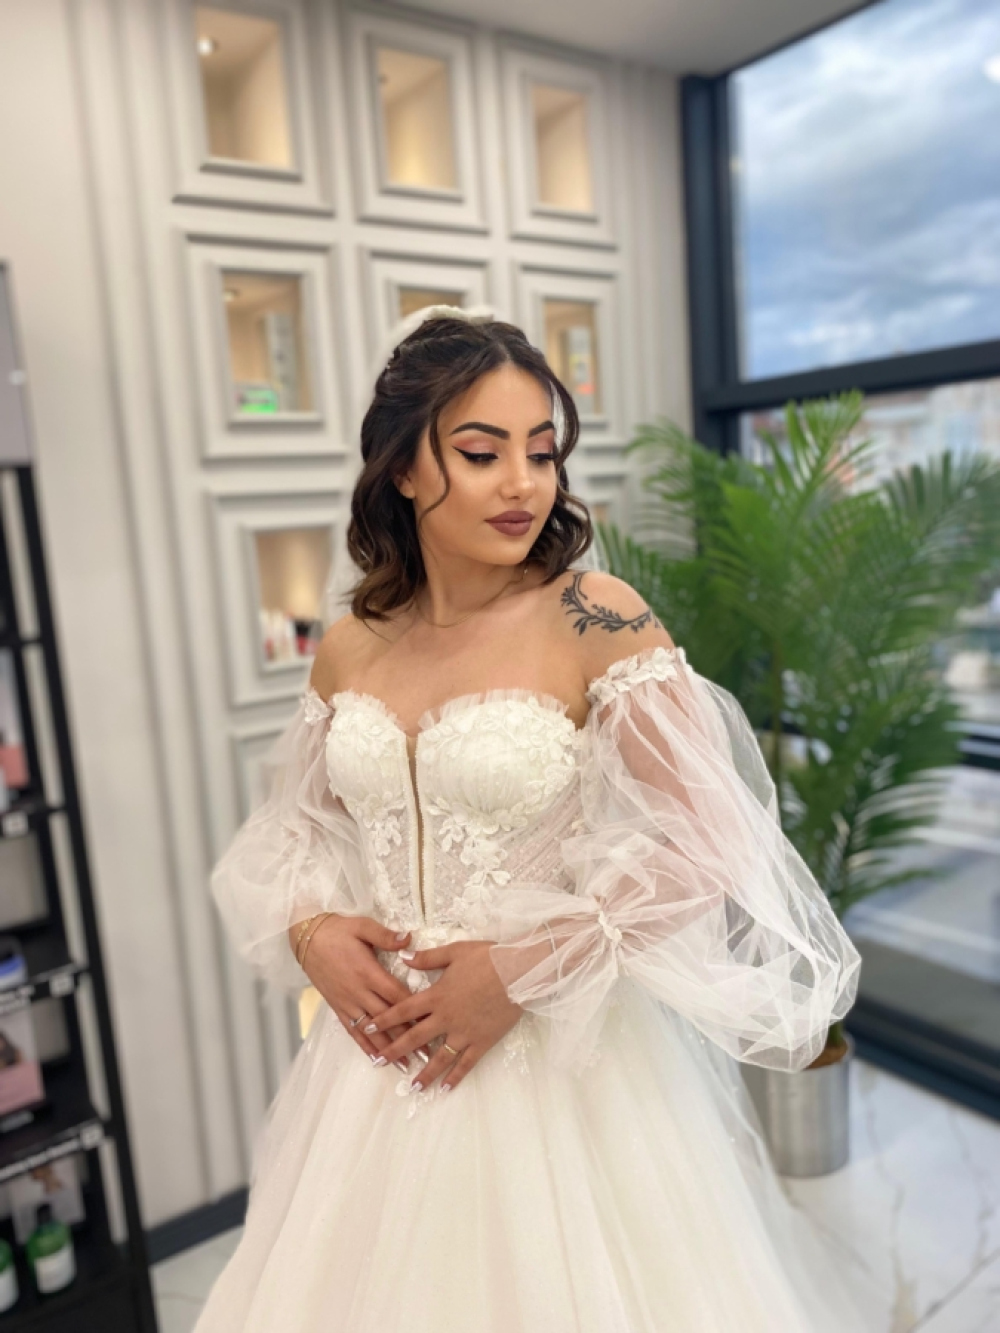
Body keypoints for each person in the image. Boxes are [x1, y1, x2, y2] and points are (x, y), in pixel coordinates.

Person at [195, 309, 878, 1332]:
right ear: (403, 469)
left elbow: (709, 838)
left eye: (542, 452)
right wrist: (313, 930)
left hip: (559, 1063)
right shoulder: (348, 645)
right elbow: (296, 829)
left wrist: (522, 968)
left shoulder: (595, 616)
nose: (523, 483)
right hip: (376, 1062)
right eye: (482, 453)